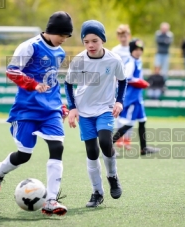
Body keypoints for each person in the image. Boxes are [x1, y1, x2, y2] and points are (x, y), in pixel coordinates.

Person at [0, 11, 73, 216]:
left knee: (57, 147)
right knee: (24, 155)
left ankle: (51, 200)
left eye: (67, 36)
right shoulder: (30, 46)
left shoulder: (60, 52)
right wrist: (33, 85)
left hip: (50, 111)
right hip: (26, 110)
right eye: (61, 34)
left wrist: (61, 105)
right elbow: (12, 71)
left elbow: (52, 81)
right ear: (51, 30)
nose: (63, 39)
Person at [64, 20, 127, 208]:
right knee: (92, 152)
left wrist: (119, 101)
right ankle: (97, 192)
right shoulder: (78, 60)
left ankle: (112, 176)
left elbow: (123, 81)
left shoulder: (114, 59)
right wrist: (72, 108)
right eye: (86, 41)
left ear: (103, 40)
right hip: (84, 111)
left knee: (106, 143)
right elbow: (68, 84)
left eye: (95, 40)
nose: (90, 45)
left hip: (105, 108)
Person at [113, 39, 159, 155]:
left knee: (142, 121)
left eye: (140, 50)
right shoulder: (130, 62)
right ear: (131, 50)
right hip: (132, 97)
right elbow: (126, 78)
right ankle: (108, 143)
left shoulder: (138, 61)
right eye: (136, 50)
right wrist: (140, 82)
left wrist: (141, 81)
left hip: (138, 97)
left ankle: (144, 148)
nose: (138, 52)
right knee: (129, 123)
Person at [112, 24, 132, 150]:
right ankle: (119, 138)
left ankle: (127, 139)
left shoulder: (133, 49)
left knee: (130, 113)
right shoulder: (115, 51)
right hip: (118, 85)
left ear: (128, 36)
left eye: (125, 36)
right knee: (118, 111)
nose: (123, 38)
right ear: (118, 37)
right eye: (121, 36)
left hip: (131, 86)